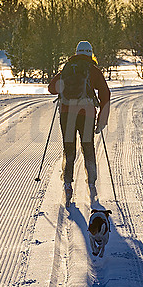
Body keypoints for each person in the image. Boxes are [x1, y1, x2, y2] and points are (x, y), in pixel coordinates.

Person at [48, 40, 110, 207]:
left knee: (69, 149)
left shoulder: (68, 68)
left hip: (67, 114)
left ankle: (67, 184)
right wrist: (102, 119)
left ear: (76, 52)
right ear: (90, 53)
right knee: (87, 146)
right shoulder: (94, 71)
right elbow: (105, 94)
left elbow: (52, 88)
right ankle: (91, 183)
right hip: (87, 114)